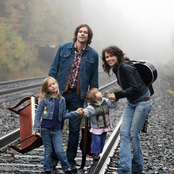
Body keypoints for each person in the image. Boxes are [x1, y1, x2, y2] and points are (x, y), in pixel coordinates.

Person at [48, 24, 99, 171]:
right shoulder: (63, 48)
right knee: (56, 126)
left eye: (85, 33)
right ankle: (53, 159)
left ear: (89, 37)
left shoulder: (93, 55)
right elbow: (53, 69)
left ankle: (70, 161)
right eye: (80, 31)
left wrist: (93, 100)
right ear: (76, 34)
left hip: (78, 97)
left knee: (74, 130)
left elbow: (94, 80)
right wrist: (48, 91)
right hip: (60, 94)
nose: (82, 34)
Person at [101, 46, 152, 174]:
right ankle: (124, 169)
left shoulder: (124, 67)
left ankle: (136, 168)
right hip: (131, 103)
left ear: (117, 55)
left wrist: (117, 95)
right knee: (124, 134)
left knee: (133, 135)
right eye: (107, 57)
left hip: (142, 102)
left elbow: (135, 87)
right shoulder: (116, 68)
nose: (109, 59)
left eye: (111, 56)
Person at [32, 77, 80, 174]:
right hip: (45, 129)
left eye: (54, 83)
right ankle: (47, 168)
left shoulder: (62, 100)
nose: (53, 86)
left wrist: (75, 113)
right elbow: (38, 114)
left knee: (59, 150)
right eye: (50, 85)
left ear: (57, 84)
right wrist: (35, 128)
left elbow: (63, 116)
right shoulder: (44, 100)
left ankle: (66, 168)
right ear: (46, 89)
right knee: (48, 150)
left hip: (56, 130)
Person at [77, 88, 117, 160]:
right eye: (98, 92)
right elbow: (87, 112)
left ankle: (99, 151)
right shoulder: (91, 107)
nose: (100, 92)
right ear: (94, 98)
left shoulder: (105, 101)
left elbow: (113, 105)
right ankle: (95, 153)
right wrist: (82, 112)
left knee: (102, 140)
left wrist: (114, 100)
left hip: (104, 126)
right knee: (96, 140)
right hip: (96, 128)